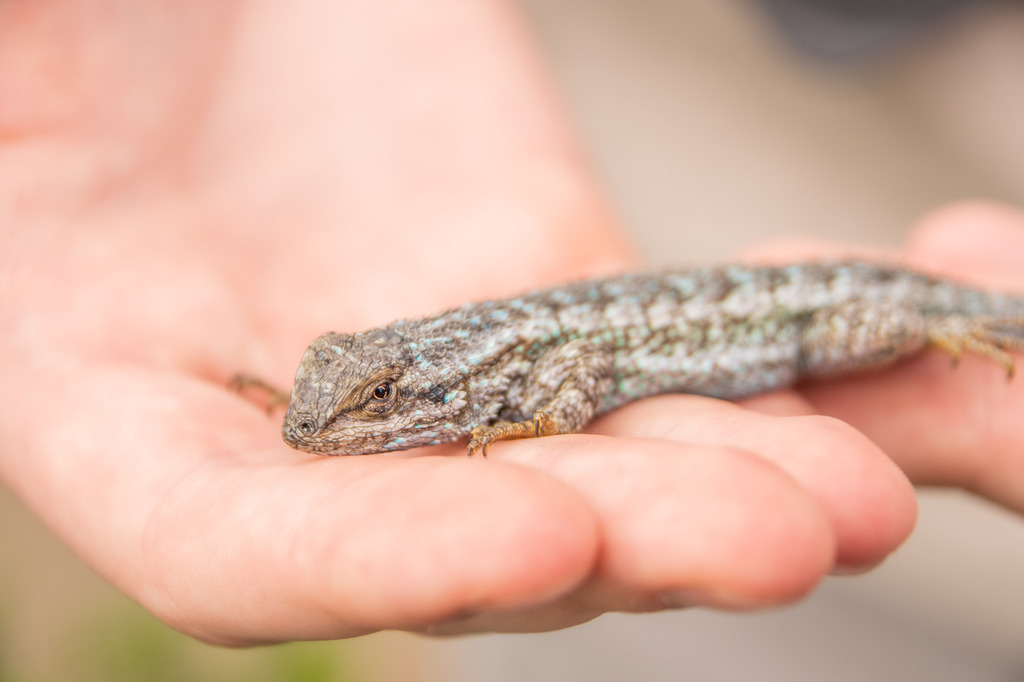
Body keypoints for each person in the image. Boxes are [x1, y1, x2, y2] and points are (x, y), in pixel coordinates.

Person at [2, 1, 1022, 646]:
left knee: (894, 325)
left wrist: (529, 428)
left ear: (414, 391)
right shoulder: (454, 379)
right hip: (686, 78)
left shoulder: (494, 382)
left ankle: (946, 318)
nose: (321, 430)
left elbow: (573, 373)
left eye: (367, 408)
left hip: (792, 289)